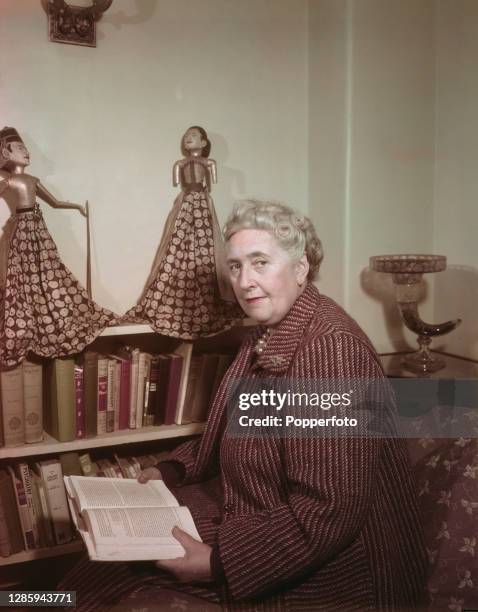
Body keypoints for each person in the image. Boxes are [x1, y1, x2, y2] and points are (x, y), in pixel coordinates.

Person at [61, 200, 428, 611]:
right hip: (252, 508)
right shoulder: (268, 331)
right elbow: (223, 433)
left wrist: (218, 562)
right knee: (101, 559)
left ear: (301, 269)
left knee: (109, 577)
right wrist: (170, 469)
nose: (245, 281)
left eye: (260, 262)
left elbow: (330, 511)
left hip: (340, 564)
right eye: (235, 266)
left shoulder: (331, 350)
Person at [0, 127, 117, 368]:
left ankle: (53, 316)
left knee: (50, 271)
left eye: (25, 147)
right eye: (19, 148)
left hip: (38, 229)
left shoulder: (31, 180)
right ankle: (28, 322)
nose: (26, 151)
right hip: (21, 230)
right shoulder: (7, 179)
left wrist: (75, 206)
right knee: (21, 278)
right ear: (5, 152)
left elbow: (54, 202)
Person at [123, 126, 243, 338]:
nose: (189, 138)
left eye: (194, 136)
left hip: (201, 202)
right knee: (176, 244)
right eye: (187, 136)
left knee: (207, 248)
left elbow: (211, 184)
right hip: (186, 202)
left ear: (204, 143)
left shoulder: (209, 163)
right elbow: (180, 183)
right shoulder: (180, 165)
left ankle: (210, 301)